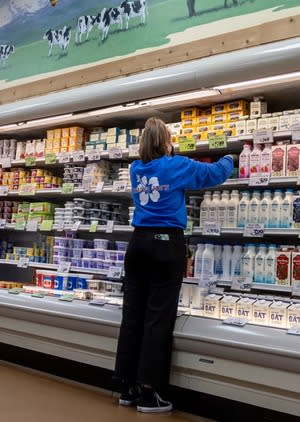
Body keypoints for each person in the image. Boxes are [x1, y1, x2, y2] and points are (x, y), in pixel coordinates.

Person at [114, 117, 235, 413]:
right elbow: (213, 174)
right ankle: (149, 391)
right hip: (166, 245)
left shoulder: (135, 168)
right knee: (158, 318)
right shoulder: (175, 164)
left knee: (133, 315)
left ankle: (126, 386)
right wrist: (231, 157)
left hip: (138, 244)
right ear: (165, 142)